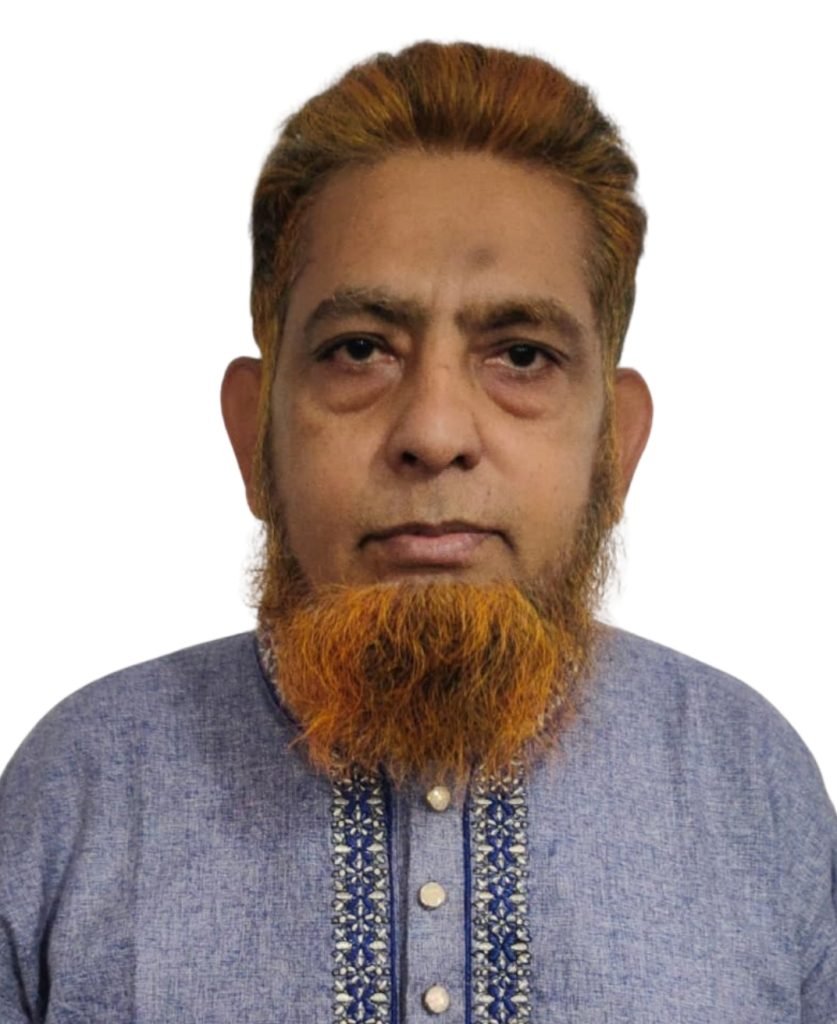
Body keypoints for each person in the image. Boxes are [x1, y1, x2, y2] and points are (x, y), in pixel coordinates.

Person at [1, 40, 834, 1022]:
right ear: (252, 432)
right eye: (360, 350)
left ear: (617, 448)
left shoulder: (752, 784)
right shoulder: (81, 791)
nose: (434, 433)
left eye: (520, 356)